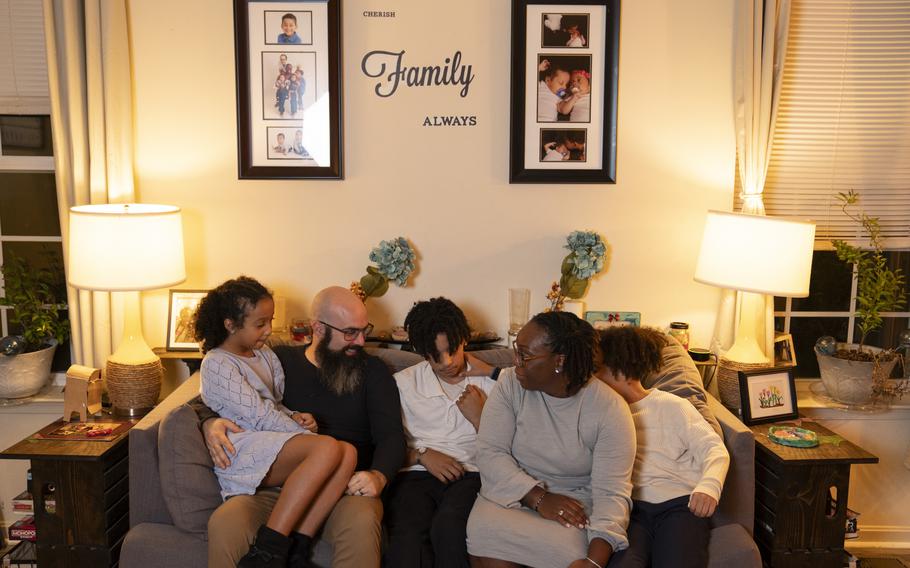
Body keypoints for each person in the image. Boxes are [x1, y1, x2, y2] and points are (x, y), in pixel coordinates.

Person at [197, 286, 407, 568]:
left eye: (363, 329)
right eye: (349, 332)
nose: (360, 340)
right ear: (318, 328)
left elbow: (392, 437)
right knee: (227, 520)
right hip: (277, 484)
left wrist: (379, 477)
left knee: (362, 519)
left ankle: (293, 552)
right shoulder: (278, 359)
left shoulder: (373, 372)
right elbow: (223, 394)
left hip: (345, 486)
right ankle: (270, 553)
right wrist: (209, 421)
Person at [466, 312, 636, 568]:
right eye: (516, 351)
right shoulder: (510, 384)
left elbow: (612, 493)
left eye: (525, 355)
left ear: (559, 361)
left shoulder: (610, 410)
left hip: (574, 505)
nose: (516, 362)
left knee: (570, 556)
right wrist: (539, 498)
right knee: (489, 546)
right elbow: (490, 452)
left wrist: (594, 561)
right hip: (509, 493)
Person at [594, 326, 730, 568]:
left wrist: (709, 486)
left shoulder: (672, 406)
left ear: (620, 370)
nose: (591, 379)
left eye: (597, 371)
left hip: (680, 506)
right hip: (630, 511)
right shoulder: (604, 414)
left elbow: (714, 449)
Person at [385, 298, 498, 568]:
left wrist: (480, 415)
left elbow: (511, 449)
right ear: (423, 353)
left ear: (464, 340)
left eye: (452, 351)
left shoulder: (492, 382)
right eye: (435, 357)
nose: (446, 362)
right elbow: (383, 447)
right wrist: (421, 455)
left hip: (472, 474)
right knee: (409, 535)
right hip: (415, 476)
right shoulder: (403, 384)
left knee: (449, 527)